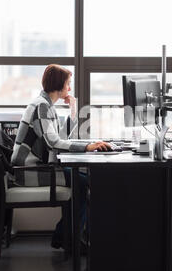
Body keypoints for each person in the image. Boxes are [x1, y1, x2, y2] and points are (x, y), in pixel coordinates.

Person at [11, 64, 111, 250]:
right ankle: (69, 239)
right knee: (82, 183)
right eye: (68, 83)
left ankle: (66, 236)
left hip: (39, 167)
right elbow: (53, 143)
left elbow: (60, 139)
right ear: (59, 85)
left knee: (85, 181)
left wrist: (73, 111)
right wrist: (88, 146)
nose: (70, 88)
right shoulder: (41, 106)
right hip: (29, 171)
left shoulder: (46, 105)